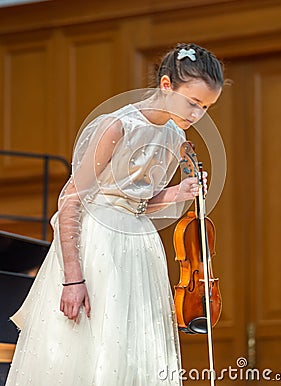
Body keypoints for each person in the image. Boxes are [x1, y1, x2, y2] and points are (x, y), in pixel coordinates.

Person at [5, 43, 224, 386]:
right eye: (192, 103)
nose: (197, 115)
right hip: (97, 245)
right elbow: (71, 200)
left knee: (133, 349)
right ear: (166, 85)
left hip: (139, 247)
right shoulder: (117, 126)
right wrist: (73, 278)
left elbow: (136, 201)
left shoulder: (174, 135)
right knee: (89, 346)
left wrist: (177, 193)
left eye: (206, 107)